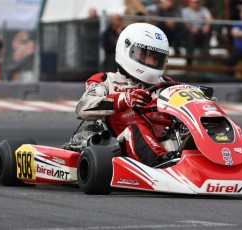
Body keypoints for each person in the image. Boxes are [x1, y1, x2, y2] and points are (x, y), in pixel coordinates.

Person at [76, 23, 177, 167]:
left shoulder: (167, 84)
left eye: (156, 58)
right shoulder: (106, 81)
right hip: (122, 144)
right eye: (145, 55)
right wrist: (123, 100)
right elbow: (82, 108)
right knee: (136, 127)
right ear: (126, 49)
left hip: (165, 138)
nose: (151, 62)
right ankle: (161, 163)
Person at [181, 0, 213, 64]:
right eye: (194, 2)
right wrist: (191, 29)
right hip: (190, 34)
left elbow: (210, 18)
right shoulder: (185, 10)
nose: (196, 4)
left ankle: (205, 56)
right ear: (189, 3)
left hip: (201, 33)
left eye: (197, 2)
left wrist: (207, 25)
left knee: (208, 32)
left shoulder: (203, 9)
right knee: (189, 36)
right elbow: (185, 23)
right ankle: (189, 61)